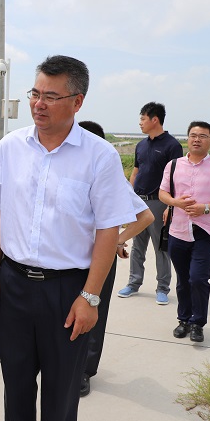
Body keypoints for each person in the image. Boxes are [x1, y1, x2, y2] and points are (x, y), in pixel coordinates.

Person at [0, 55, 136, 421]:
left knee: (62, 393)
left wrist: (90, 297)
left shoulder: (99, 156)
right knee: (16, 387)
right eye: (35, 93)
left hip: (68, 291)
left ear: (77, 102)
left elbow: (108, 230)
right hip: (15, 285)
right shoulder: (10, 147)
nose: (38, 104)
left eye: (50, 96)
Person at [77, 121, 154, 397]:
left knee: (93, 314)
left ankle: (85, 371)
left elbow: (145, 216)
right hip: (68, 259)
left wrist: (117, 241)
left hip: (99, 260)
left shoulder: (110, 177)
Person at [159, 121, 210, 343]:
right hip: (178, 230)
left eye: (202, 136)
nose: (197, 139)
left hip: (205, 231)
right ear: (187, 138)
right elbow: (163, 193)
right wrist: (175, 202)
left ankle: (198, 323)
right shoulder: (174, 165)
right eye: (193, 135)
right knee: (183, 279)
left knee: (198, 278)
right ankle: (183, 320)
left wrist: (206, 208)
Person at [118, 102, 183, 304]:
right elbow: (135, 172)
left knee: (161, 248)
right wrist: (129, 198)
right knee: (137, 247)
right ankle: (133, 283)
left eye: (143, 119)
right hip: (139, 202)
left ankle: (162, 288)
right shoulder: (141, 145)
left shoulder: (172, 146)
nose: (140, 123)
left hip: (159, 203)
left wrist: (170, 206)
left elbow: (176, 179)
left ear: (155, 120)